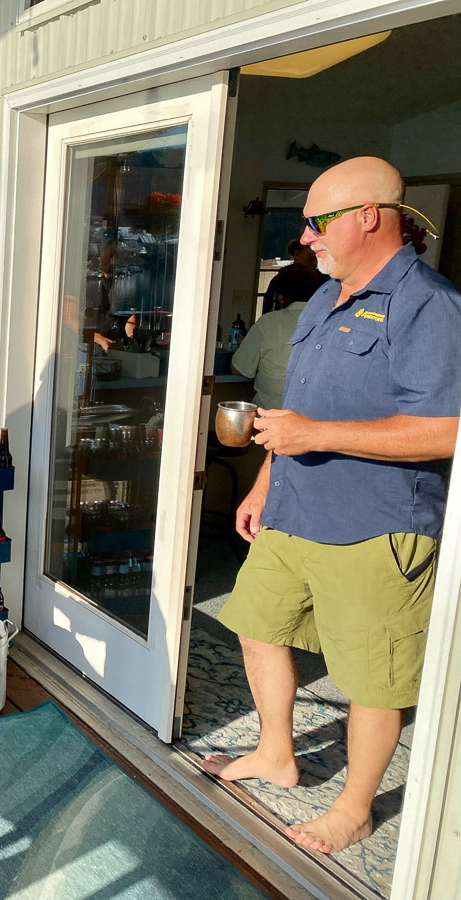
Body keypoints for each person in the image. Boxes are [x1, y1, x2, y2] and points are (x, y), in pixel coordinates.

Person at [202, 157, 461, 854]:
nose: (305, 237)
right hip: (294, 511)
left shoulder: (429, 306)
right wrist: (262, 483)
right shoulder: (325, 298)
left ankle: (354, 807)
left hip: (375, 529)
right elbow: (299, 410)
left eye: (316, 221)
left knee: (372, 677)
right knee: (257, 626)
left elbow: (445, 430)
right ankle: (278, 754)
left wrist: (311, 435)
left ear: (368, 217)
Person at [231, 265, 324, 409]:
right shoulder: (329, 323)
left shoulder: (268, 322)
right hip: (312, 419)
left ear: (281, 295)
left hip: (268, 416)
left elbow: (238, 369)